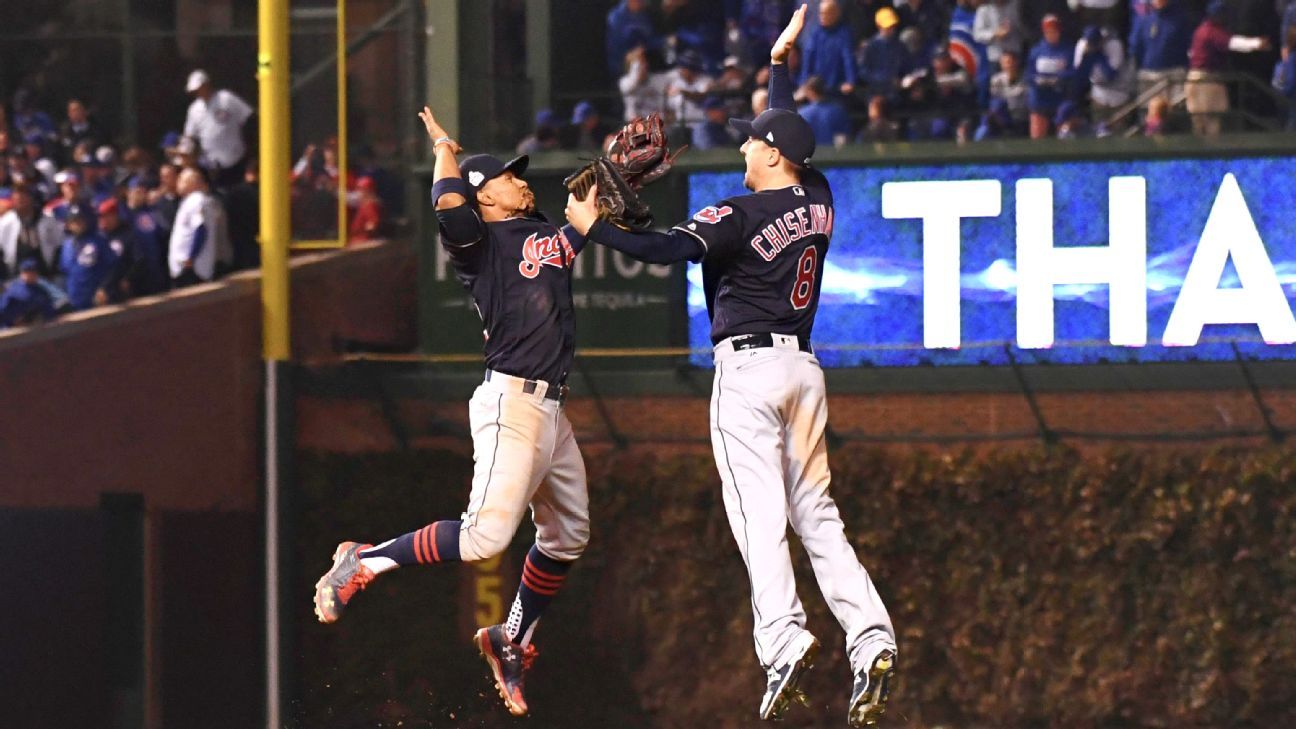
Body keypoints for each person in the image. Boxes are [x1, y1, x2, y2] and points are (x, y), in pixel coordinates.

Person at [564, 6, 897, 726]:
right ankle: (870, 639)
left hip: (747, 374)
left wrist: (596, 228)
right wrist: (779, 63)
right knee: (819, 516)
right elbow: (785, 128)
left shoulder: (738, 215)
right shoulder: (819, 196)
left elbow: (670, 252)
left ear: (774, 154)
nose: (744, 146)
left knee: (758, 517)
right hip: (804, 372)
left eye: (753, 141)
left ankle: (784, 642)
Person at [312, 104, 593, 720]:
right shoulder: (480, 244)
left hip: (552, 410)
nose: (521, 179)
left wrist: (596, 209)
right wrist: (447, 150)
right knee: (484, 536)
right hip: (512, 403)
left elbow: (567, 240)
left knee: (568, 536)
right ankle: (365, 559)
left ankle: (512, 637)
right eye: (507, 176)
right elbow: (446, 200)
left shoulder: (537, 233)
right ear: (482, 196)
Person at [1186, 0, 1271, 135]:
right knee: (1211, 122)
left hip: (1194, 79)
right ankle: (1211, 153)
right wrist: (1257, 43)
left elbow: (1190, 53)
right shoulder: (1211, 31)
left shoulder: (1199, 31)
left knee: (1199, 123)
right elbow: (1232, 43)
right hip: (1207, 81)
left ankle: (1201, 153)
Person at [183, 69, 254, 191]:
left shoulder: (226, 98)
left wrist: (252, 157)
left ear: (206, 85)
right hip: (213, 167)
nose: (197, 92)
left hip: (237, 160)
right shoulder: (194, 109)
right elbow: (190, 135)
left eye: (199, 88)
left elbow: (249, 118)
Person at [168, 166, 226, 286]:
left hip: (192, 268)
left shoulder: (196, 200)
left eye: (181, 180)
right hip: (189, 266)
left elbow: (200, 229)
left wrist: (190, 257)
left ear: (192, 183)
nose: (178, 183)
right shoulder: (190, 201)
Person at [1128, 0, 1192, 105]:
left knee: (1175, 111)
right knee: (1148, 111)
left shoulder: (1179, 20)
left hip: (1173, 74)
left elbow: (1186, 44)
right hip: (1148, 74)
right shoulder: (1144, 20)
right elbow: (1136, 46)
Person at [59, 203, 119, 311]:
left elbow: (114, 267)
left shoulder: (98, 240)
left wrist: (104, 288)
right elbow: (65, 271)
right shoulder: (67, 245)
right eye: (74, 221)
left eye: (80, 220)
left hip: (97, 300)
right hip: (75, 301)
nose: (78, 224)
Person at [0, 183, 63, 280]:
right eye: (17, 200)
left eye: (23, 199)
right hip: (16, 275)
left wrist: (54, 271)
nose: (20, 203)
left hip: (44, 274)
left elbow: (58, 246)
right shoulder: (6, 223)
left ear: (31, 199)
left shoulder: (48, 220)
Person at [1026, 14, 1075, 138]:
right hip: (1039, 100)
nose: (1051, 35)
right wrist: (1038, 80)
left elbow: (1072, 72)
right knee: (1037, 135)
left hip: (1060, 99)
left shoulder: (1068, 50)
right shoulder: (1036, 51)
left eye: (1054, 31)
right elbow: (1029, 74)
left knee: (1063, 136)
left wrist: (1059, 79)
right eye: (1048, 32)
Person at [799, 0, 858, 94]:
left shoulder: (844, 33)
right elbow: (808, 56)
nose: (823, 17)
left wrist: (850, 81)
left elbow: (848, 58)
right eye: (821, 13)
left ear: (836, 14)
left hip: (836, 86)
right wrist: (803, 82)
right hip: (816, 85)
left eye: (826, 13)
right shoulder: (815, 33)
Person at [797, 76, 854, 145]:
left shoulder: (802, 113)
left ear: (810, 91)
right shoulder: (838, 111)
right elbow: (843, 140)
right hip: (832, 154)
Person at [0, 259, 56, 328]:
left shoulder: (41, 291)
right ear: (22, 274)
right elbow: (3, 309)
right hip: (12, 328)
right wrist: (13, 320)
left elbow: (49, 309)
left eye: (33, 272)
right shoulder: (13, 290)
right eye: (27, 272)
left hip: (35, 327)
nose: (30, 275)